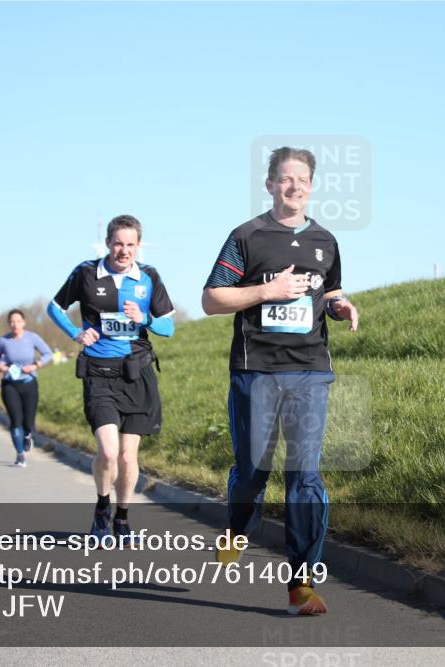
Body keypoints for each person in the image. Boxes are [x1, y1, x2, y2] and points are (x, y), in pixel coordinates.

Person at [201, 147, 359, 616]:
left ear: (312, 185)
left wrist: (339, 305)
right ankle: (236, 529)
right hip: (256, 369)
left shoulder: (326, 241)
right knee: (253, 473)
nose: (294, 187)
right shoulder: (246, 237)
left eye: (303, 180)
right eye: (285, 179)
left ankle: (301, 585)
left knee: (304, 474)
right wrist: (266, 291)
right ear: (269, 184)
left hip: (309, 369)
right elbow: (212, 298)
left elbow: (329, 290)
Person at [48, 215, 175, 544]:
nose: (124, 250)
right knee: (107, 451)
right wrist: (76, 332)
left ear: (138, 246)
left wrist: (144, 317)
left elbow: (168, 328)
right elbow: (54, 307)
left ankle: (122, 517)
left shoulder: (149, 277)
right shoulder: (87, 273)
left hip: (137, 373)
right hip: (99, 373)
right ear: (107, 243)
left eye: (130, 244)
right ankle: (102, 508)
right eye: (118, 243)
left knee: (128, 457)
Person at [0, 309, 53, 466]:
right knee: (15, 420)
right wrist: (1, 367)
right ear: (8, 324)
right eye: (12, 321)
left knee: (28, 422)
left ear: (23, 323)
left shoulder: (32, 338)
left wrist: (35, 365)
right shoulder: (3, 341)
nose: (15, 324)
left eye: (18, 321)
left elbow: (48, 354)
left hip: (29, 383)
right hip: (10, 384)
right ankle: (19, 455)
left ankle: (27, 435)